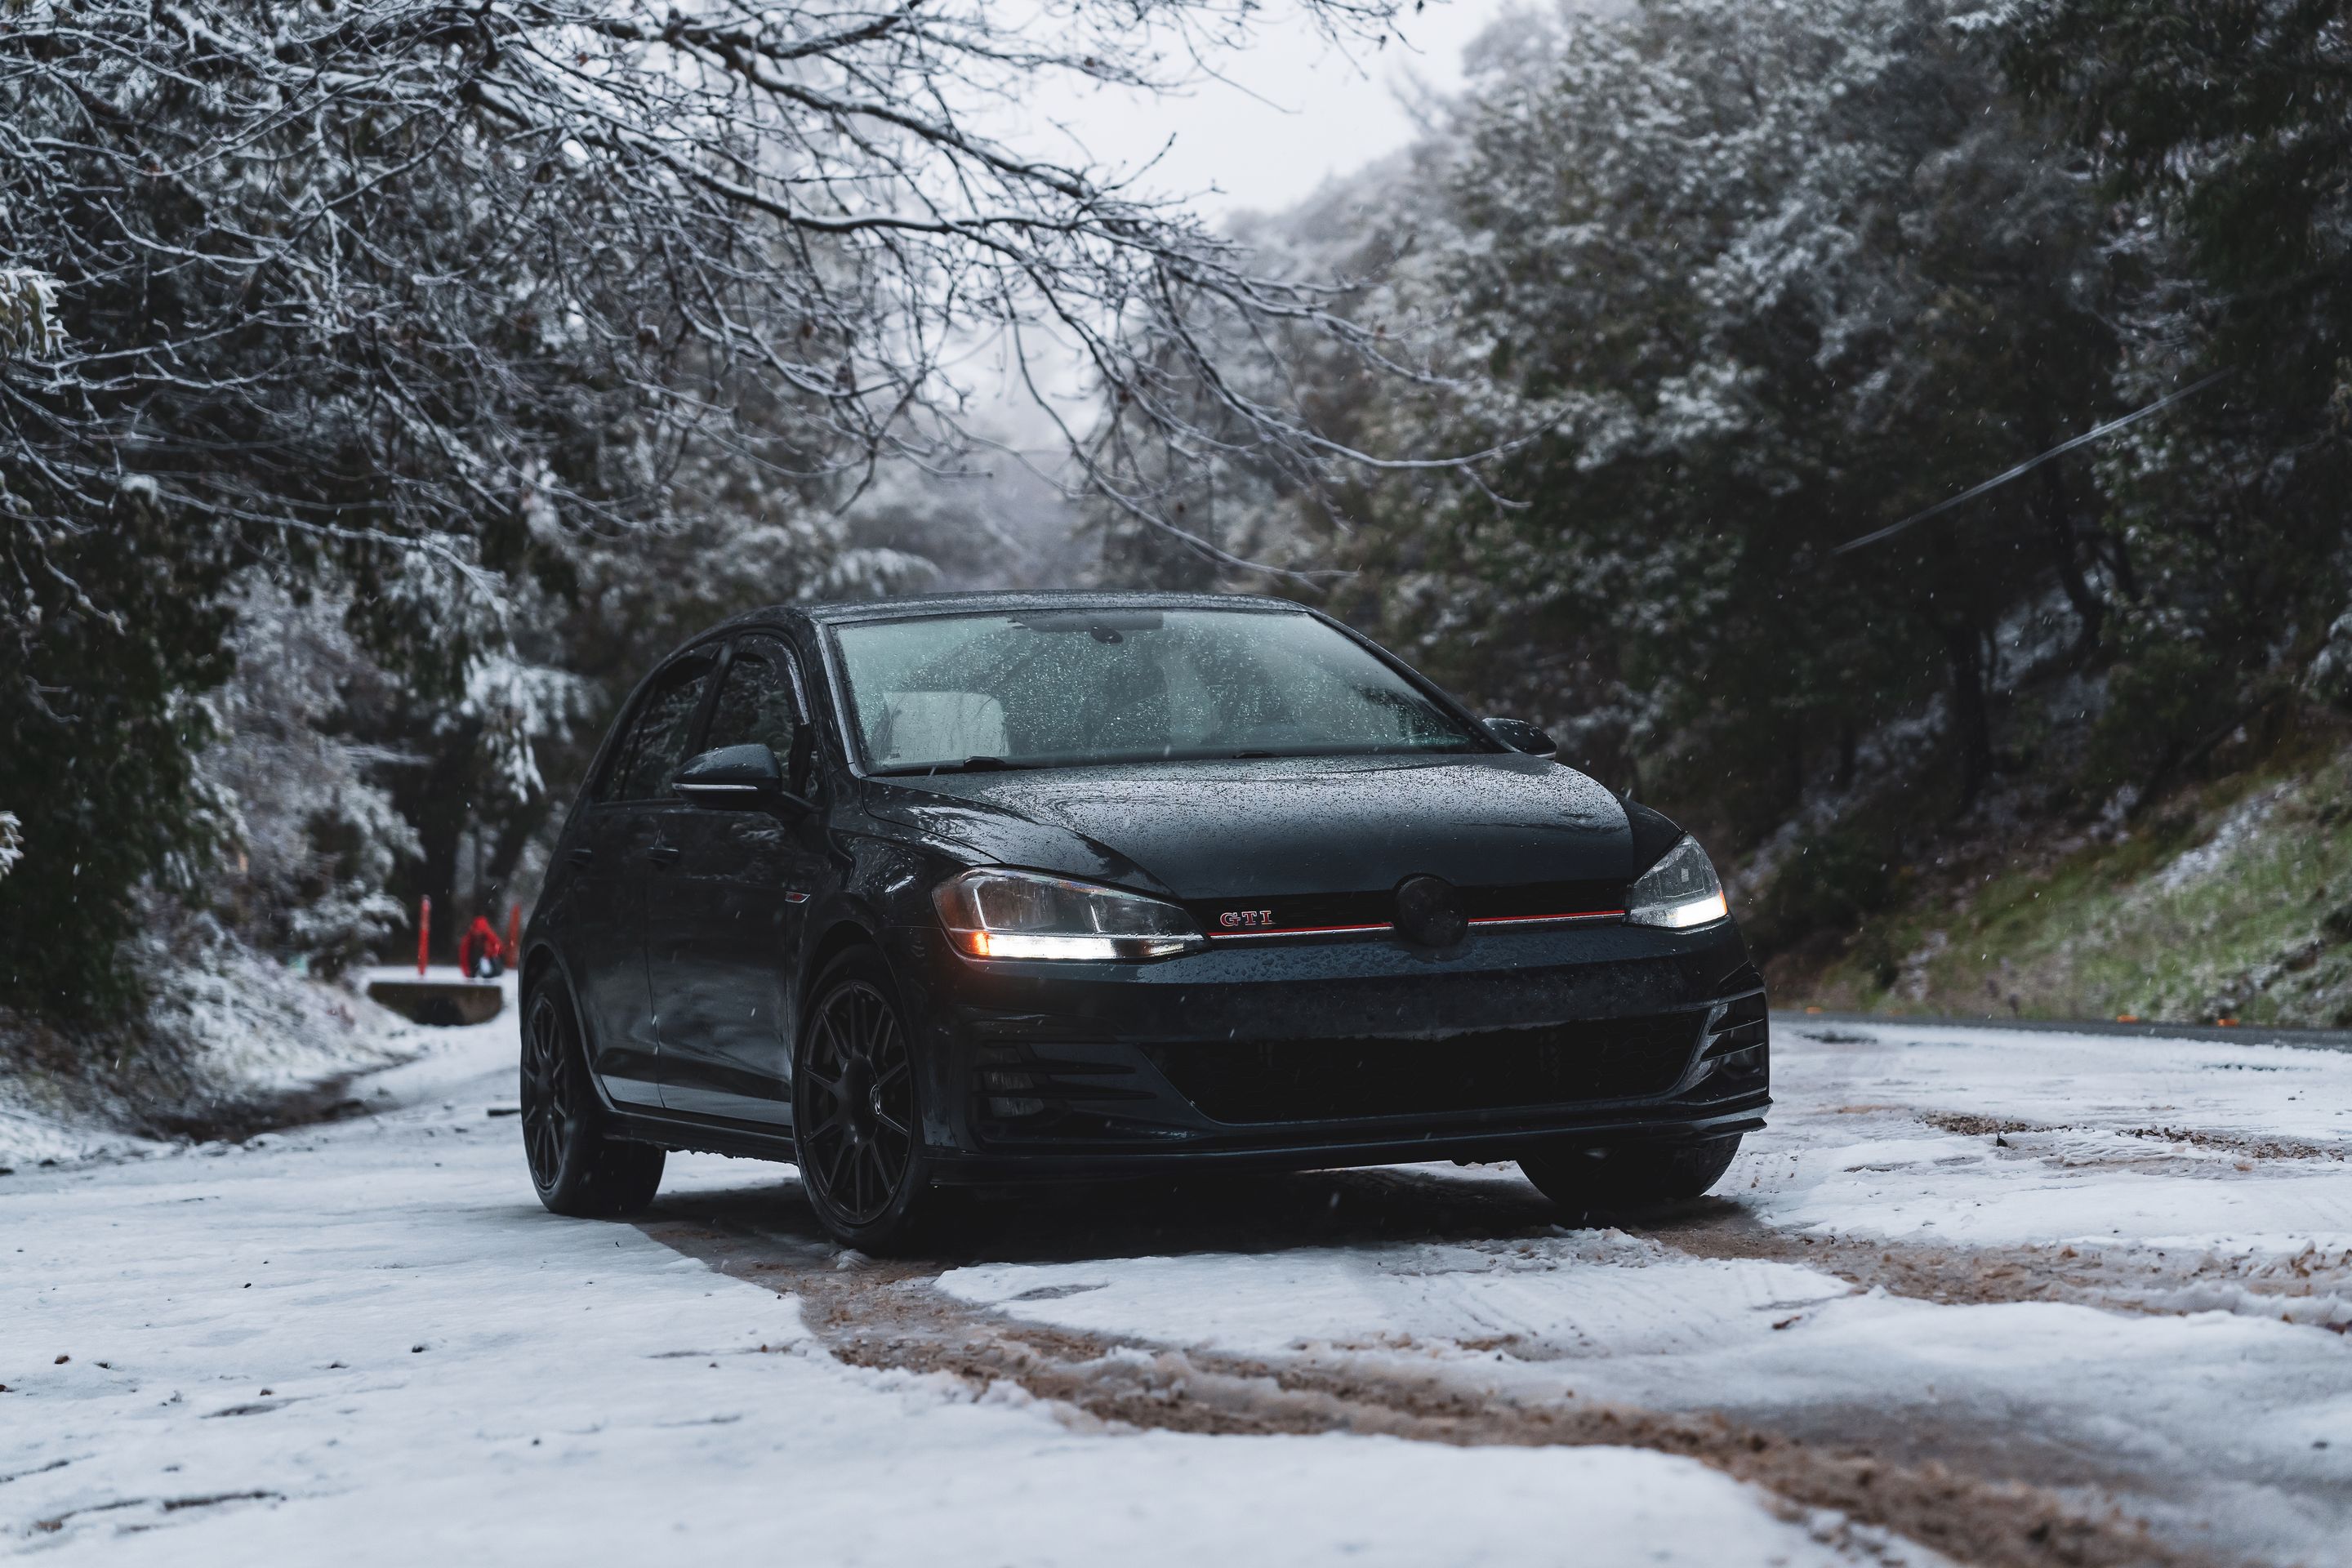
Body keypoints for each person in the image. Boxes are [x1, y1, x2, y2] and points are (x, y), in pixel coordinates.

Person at [457, 913, 506, 979]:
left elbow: (499, 948)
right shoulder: (468, 940)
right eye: (477, 931)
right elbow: (464, 956)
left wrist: (489, 954)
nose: (478, 934)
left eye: (480, 931)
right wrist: (466, 970)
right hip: (475, 964)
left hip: (489, 961)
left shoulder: (490, 937)